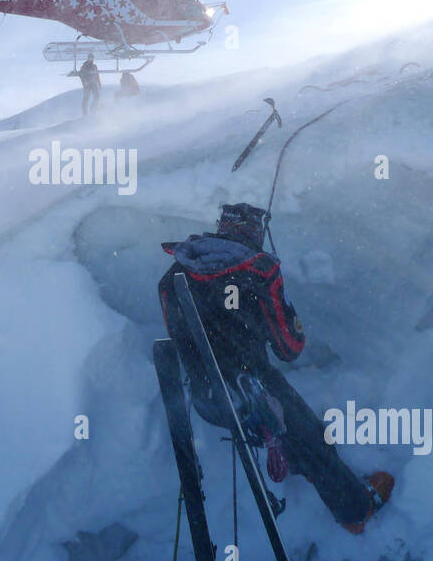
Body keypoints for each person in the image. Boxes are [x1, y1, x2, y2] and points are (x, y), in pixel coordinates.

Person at [158, 202, 393, 534]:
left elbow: (180, 338)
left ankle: (298, 460)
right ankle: (356, 510)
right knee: (313, 440)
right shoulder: (258, 272)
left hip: (208, 397)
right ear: (255, 234)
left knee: (287, 438)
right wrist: (283, 306)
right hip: (254, 391)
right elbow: (289, 348)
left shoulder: (173, 278)